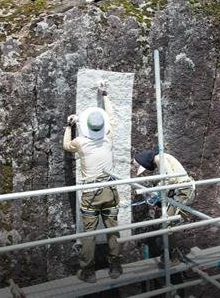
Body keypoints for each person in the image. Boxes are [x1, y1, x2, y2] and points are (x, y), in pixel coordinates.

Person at [63, 83, 122, 283]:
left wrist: (69, 126)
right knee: (112, 230)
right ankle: (115, 266)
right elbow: (112, 118)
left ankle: (88, 271)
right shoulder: (109, 136)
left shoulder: (80, 142)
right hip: (110, 190)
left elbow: (66, 146)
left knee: (89, 235)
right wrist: (105, 94)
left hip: (91, 193)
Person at [133, 149, 195, 267]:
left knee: (166, 223)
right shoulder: (161, 158)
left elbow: (171, 179)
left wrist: (156, 190)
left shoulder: (159, 158)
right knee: (166, 223)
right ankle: (171, 255)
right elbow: (169, 179)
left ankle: (172, 257)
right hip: (180, 190)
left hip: (184, 191)